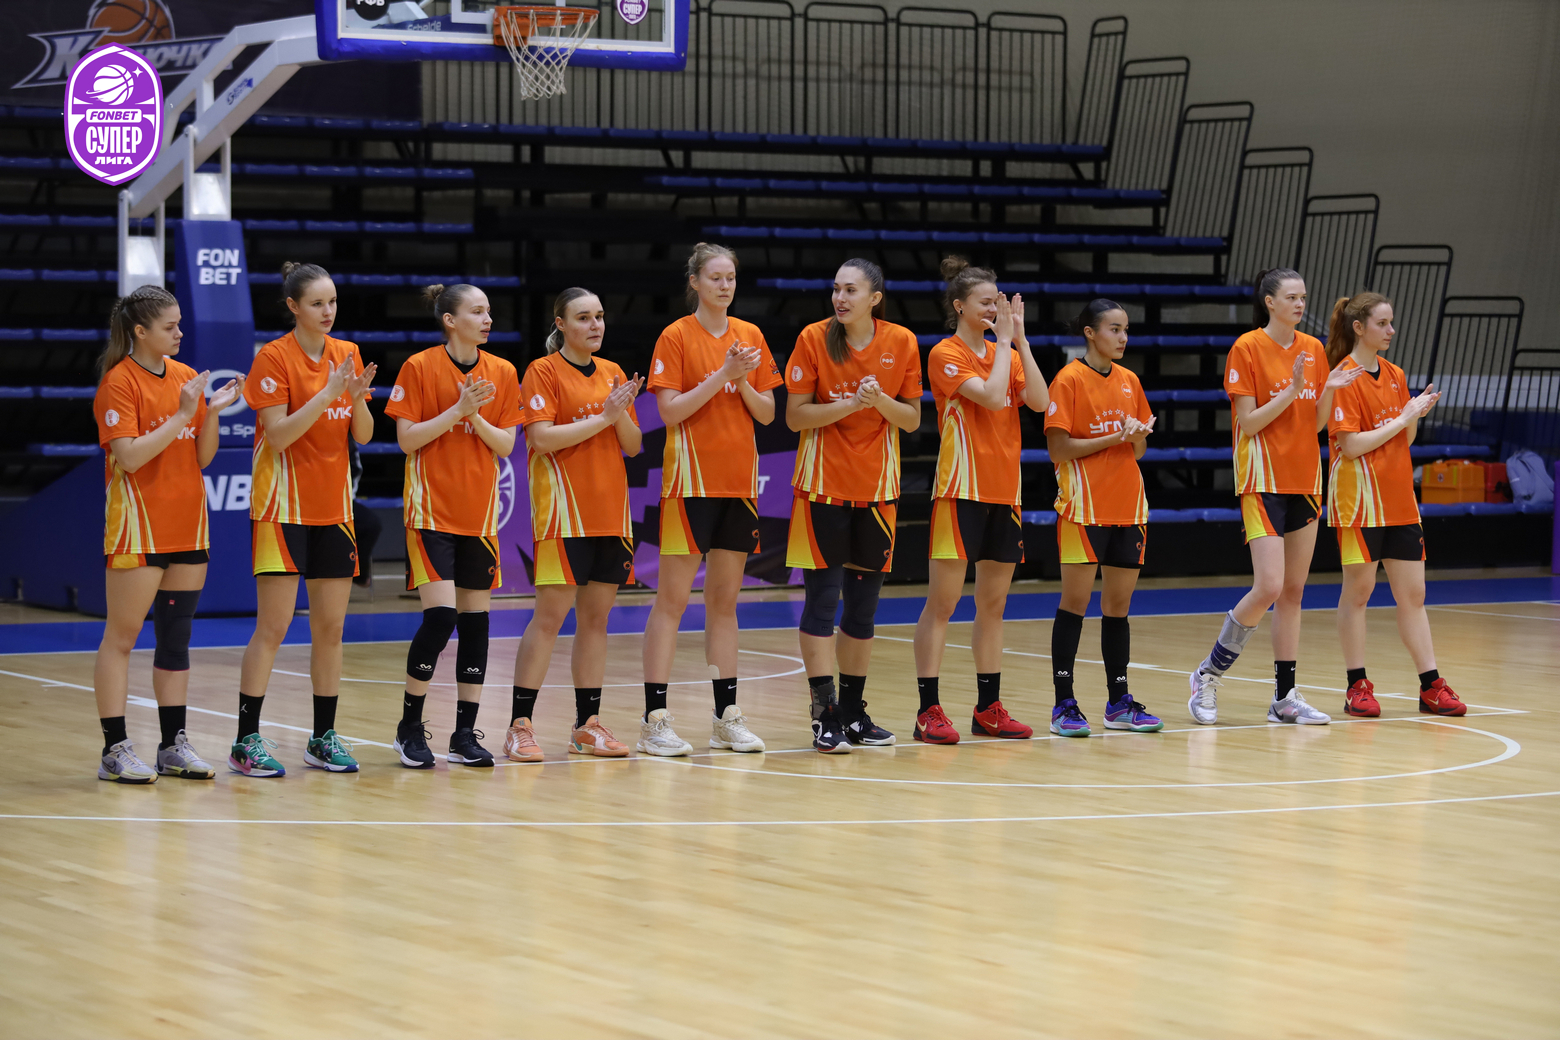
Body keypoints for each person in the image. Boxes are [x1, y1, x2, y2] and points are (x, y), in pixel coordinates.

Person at [1187, 268, 1363, 726]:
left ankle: (1285, 696)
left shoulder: (1313, 349)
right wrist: (1291, 390)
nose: (1300, 304)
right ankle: (1207, 674)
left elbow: (1317, 423)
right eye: (1291, 297)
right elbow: (1248, 423)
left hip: (1304, 479)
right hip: (1262, 479)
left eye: (1303, 296)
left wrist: (1327, 391)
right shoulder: (1247, 348)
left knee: (1292, 592)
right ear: (1269, 302)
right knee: (1268, 585)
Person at [229, 262, 377, 777]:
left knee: (330, 629)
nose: (328, 311)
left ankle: (322, 738)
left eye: (332, 302)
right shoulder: (273, 357)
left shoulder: (346, 352)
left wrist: (354, 398)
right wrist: (329, 394)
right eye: (317, 303)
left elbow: (363, 435)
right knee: (273, 627)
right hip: (281, 509)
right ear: (293, 307)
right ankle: (246, 740)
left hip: (333, 510)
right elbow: (278, 435)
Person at [91, 286, 242, 782]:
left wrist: (210, 412)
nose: (180, 333)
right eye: (170, 326)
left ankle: (172, 745)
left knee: (176, 641)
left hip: (188, 526)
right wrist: (181, 413)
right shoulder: (119, 382)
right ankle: (114, 749)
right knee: (122, 638)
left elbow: (202, 457)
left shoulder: (184, 377)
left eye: (179, 324)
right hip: (138, 529)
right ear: (140, 331)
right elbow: (130, 457)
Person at [640, 243, 779, 756]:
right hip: (689, 485)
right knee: (672, 601)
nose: (725, 286)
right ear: (695, 282)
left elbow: (767, 412)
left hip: (738, 486)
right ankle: (654, 721)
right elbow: (670, 411)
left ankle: (727, 717)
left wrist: (741, 382)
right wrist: (722, 375)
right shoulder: (676, 335)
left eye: (731, 278)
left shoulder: (751, 335)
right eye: (715, 277)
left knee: (724, 602)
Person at [785, 258, 922, 752]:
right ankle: (824, 715)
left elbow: (910, 419)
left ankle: (853, 713)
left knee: (862, 610)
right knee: (822, 602)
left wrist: (879, 400)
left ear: (874, 298)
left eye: (851, 290)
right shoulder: (813, 338)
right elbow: (795, 417)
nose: (840, 298)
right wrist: (851, 404)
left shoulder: (901, 342)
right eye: (836, 289)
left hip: (878, 492)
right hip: (821, 488)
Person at [383, 283, 523, 768]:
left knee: (476, 626)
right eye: (477, 311)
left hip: (479, 517)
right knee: (442, 618)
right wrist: (457, 411)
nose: (487, 319)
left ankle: (464, 734)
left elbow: (506, 446)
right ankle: (409, 726)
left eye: (489, 311)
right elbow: (408, 440)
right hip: (431, 514)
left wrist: (475, 417)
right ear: (450, 320)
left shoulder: (502, 371)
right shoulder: (420, 367)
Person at [911, 259, 1048, 744]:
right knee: (943, 603)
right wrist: (1006, 344)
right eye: (986, 302)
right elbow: (991, 397)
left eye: (998, 301)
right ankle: (928, 711)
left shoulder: (1006, 350)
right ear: (960, 306)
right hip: (959, 491)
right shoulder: (945, 353)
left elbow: (1040, 402)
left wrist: (1021, 342)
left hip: (1003, 492)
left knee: (993, 604)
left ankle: (988, 708)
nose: (994, 309)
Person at [506, 287, 644, 761]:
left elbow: (632, 445)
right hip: (564, 515)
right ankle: (519, 725)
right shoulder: (543, 371)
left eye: (600, 316)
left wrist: (618, 413)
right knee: (549, 619)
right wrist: (605, 415)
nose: (595, 325)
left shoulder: (613, 372)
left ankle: (587, 725)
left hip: (611, 513)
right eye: (584, 317)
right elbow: (542, 439)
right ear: (561, 324)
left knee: (596, 620)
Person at [1324, 292, 1465, 718]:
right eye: (1382, 323)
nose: (1391, 330)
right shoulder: (1342, 378)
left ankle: (1431, 685)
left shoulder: (1395, 373)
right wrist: (1402, 418)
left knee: (1414, 594)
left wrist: (1414, 415)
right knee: (1359, 592)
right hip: (1359, 501)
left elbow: (1406, 439)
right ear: (1359, 328)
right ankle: (1357, 686)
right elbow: (1350, 446)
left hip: (1400, 498)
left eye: (1391, 322)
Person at [1041, 299, 1164, 737]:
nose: (1123, 337)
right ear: (1090, 333)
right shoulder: (1068, 379)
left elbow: (1139, 450)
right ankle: (1064, 704)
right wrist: (1115, 436)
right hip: (1083, 508)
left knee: (1118, 609)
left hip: (1128, 507)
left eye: (1126, 329)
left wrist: (1136, 436)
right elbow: (1058, 449)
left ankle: (1119, 702)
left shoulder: (1130, 381)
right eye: (1114, 329)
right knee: (1074, 605)